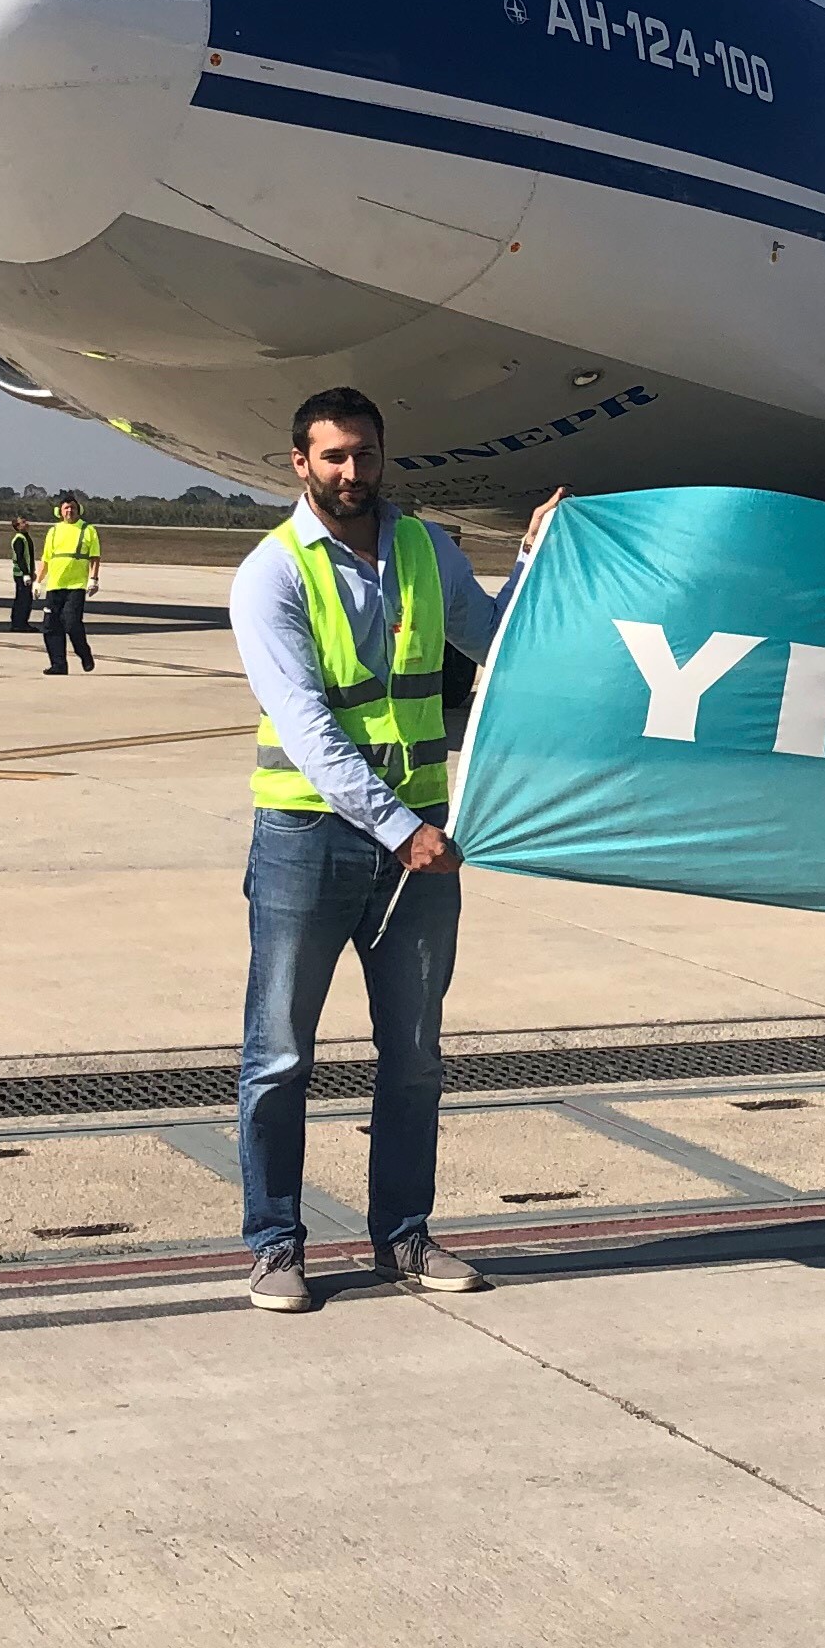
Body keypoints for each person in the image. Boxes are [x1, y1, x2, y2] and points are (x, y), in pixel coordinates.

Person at [227, 386, 551, 1312]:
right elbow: (309, 731)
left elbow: (495, 641)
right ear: (300, 464)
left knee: (413, 1057)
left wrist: (534, 558)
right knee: (280, 1055)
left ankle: (403, 1239)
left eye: (364, 454)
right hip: (310, 842)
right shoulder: (272, 573)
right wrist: (404, 828)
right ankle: (274, 1246)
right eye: (332, 457)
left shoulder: (424, 549)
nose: (351, 472)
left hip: (418, 850)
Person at [35, 493, 101, 674]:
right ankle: (58, 665)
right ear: (59, 512)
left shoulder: (88, 530)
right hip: (55, 585)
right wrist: (38, 581)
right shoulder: (54, 531)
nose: (69, 511)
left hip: (76, 585)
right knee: (51, 625)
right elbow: (46, 558)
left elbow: (94, 557)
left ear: (79, 510)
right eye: (66, 508)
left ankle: (84, 654)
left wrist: (93, 579)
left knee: (71, 622)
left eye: (72, 507)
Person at [6, 512, 39, 629]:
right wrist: (25, 574)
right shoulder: (19, 539)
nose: (27, 524)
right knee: (22, 600)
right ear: (17, 526)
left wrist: (31, 572)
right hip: (21, 574)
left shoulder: (25, 537)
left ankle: (22, 622)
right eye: (23, 522)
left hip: (26, 573)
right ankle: (18, 623)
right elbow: (20, 558)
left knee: (26, 599)